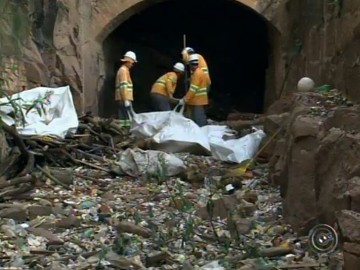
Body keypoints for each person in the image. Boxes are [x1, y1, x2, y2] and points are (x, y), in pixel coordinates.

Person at [178, 54, 208, 127]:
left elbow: (193, 89)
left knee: (199, 118)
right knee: (196, 117)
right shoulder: (199, 72)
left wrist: (185, 99)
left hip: (198, 100)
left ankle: (203, 131)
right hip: (198, 100)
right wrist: (189, 80)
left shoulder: (197, 74)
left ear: (191, 65)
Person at [115, 51, 137, 127]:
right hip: (124, 98)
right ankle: (127, 133)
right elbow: (123, 86)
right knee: (128, 118)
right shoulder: (123, 71)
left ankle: (123, 133)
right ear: (128, 62)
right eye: (132, 63)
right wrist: (125, 100)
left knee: (123, 119)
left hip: (121, 99)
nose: (132, 65)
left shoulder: (124, 70)